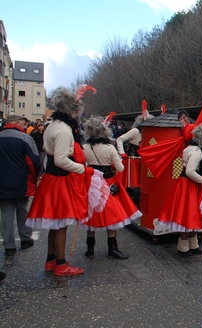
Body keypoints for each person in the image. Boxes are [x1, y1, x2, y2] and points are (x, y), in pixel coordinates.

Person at [26, 86, 106, 276]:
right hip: (59, 181)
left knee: (55, 223)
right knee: (60, 223)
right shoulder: (63, 130)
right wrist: (82, 169)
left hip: (51, 180)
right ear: (71, 111)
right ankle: (61, 264)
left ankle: (51, 260)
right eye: (77, 111)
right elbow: (61, 160)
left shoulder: (52, 125)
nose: (78, 115)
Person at [82, 116, 142, 259]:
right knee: (112, 215)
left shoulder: (84, 148)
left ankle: (90, 248)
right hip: (107, 183)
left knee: (91, 214)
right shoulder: (109, 148)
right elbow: (120, 168)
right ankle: (112, 249)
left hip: (91, 183)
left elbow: (83, 167)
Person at [158, 125, 202, 256]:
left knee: (191, 214)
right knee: (189, 214)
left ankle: (191, 244)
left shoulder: (189, 148)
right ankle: (184, 245)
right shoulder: (198, 152)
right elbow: (190, 171)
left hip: (185, 184)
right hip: (190, 184)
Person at [0, 114, 40, 256]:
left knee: (6, 213)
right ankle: (25, 238)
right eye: (23, 123)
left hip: (2, 181)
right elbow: (34, 161)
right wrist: (34, 179)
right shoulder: (25, 138)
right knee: (22, 210)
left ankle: (9, 245)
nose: (25, 126)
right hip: (21, 180)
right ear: (16, 122)